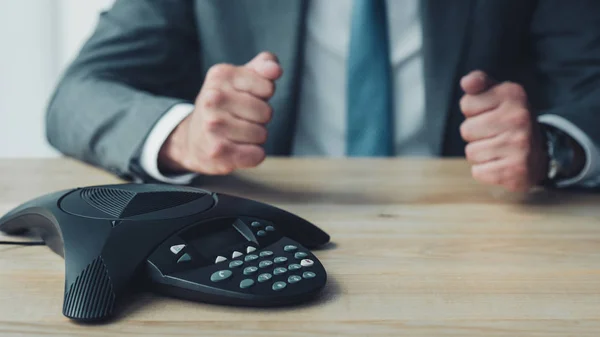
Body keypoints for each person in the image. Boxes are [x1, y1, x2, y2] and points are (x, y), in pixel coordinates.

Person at [46, 0, 600, 192]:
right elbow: (78, 95)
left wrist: (554, 148)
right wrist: (181, 137)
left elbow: (591, 86)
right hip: (270, 234)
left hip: (475, 237)